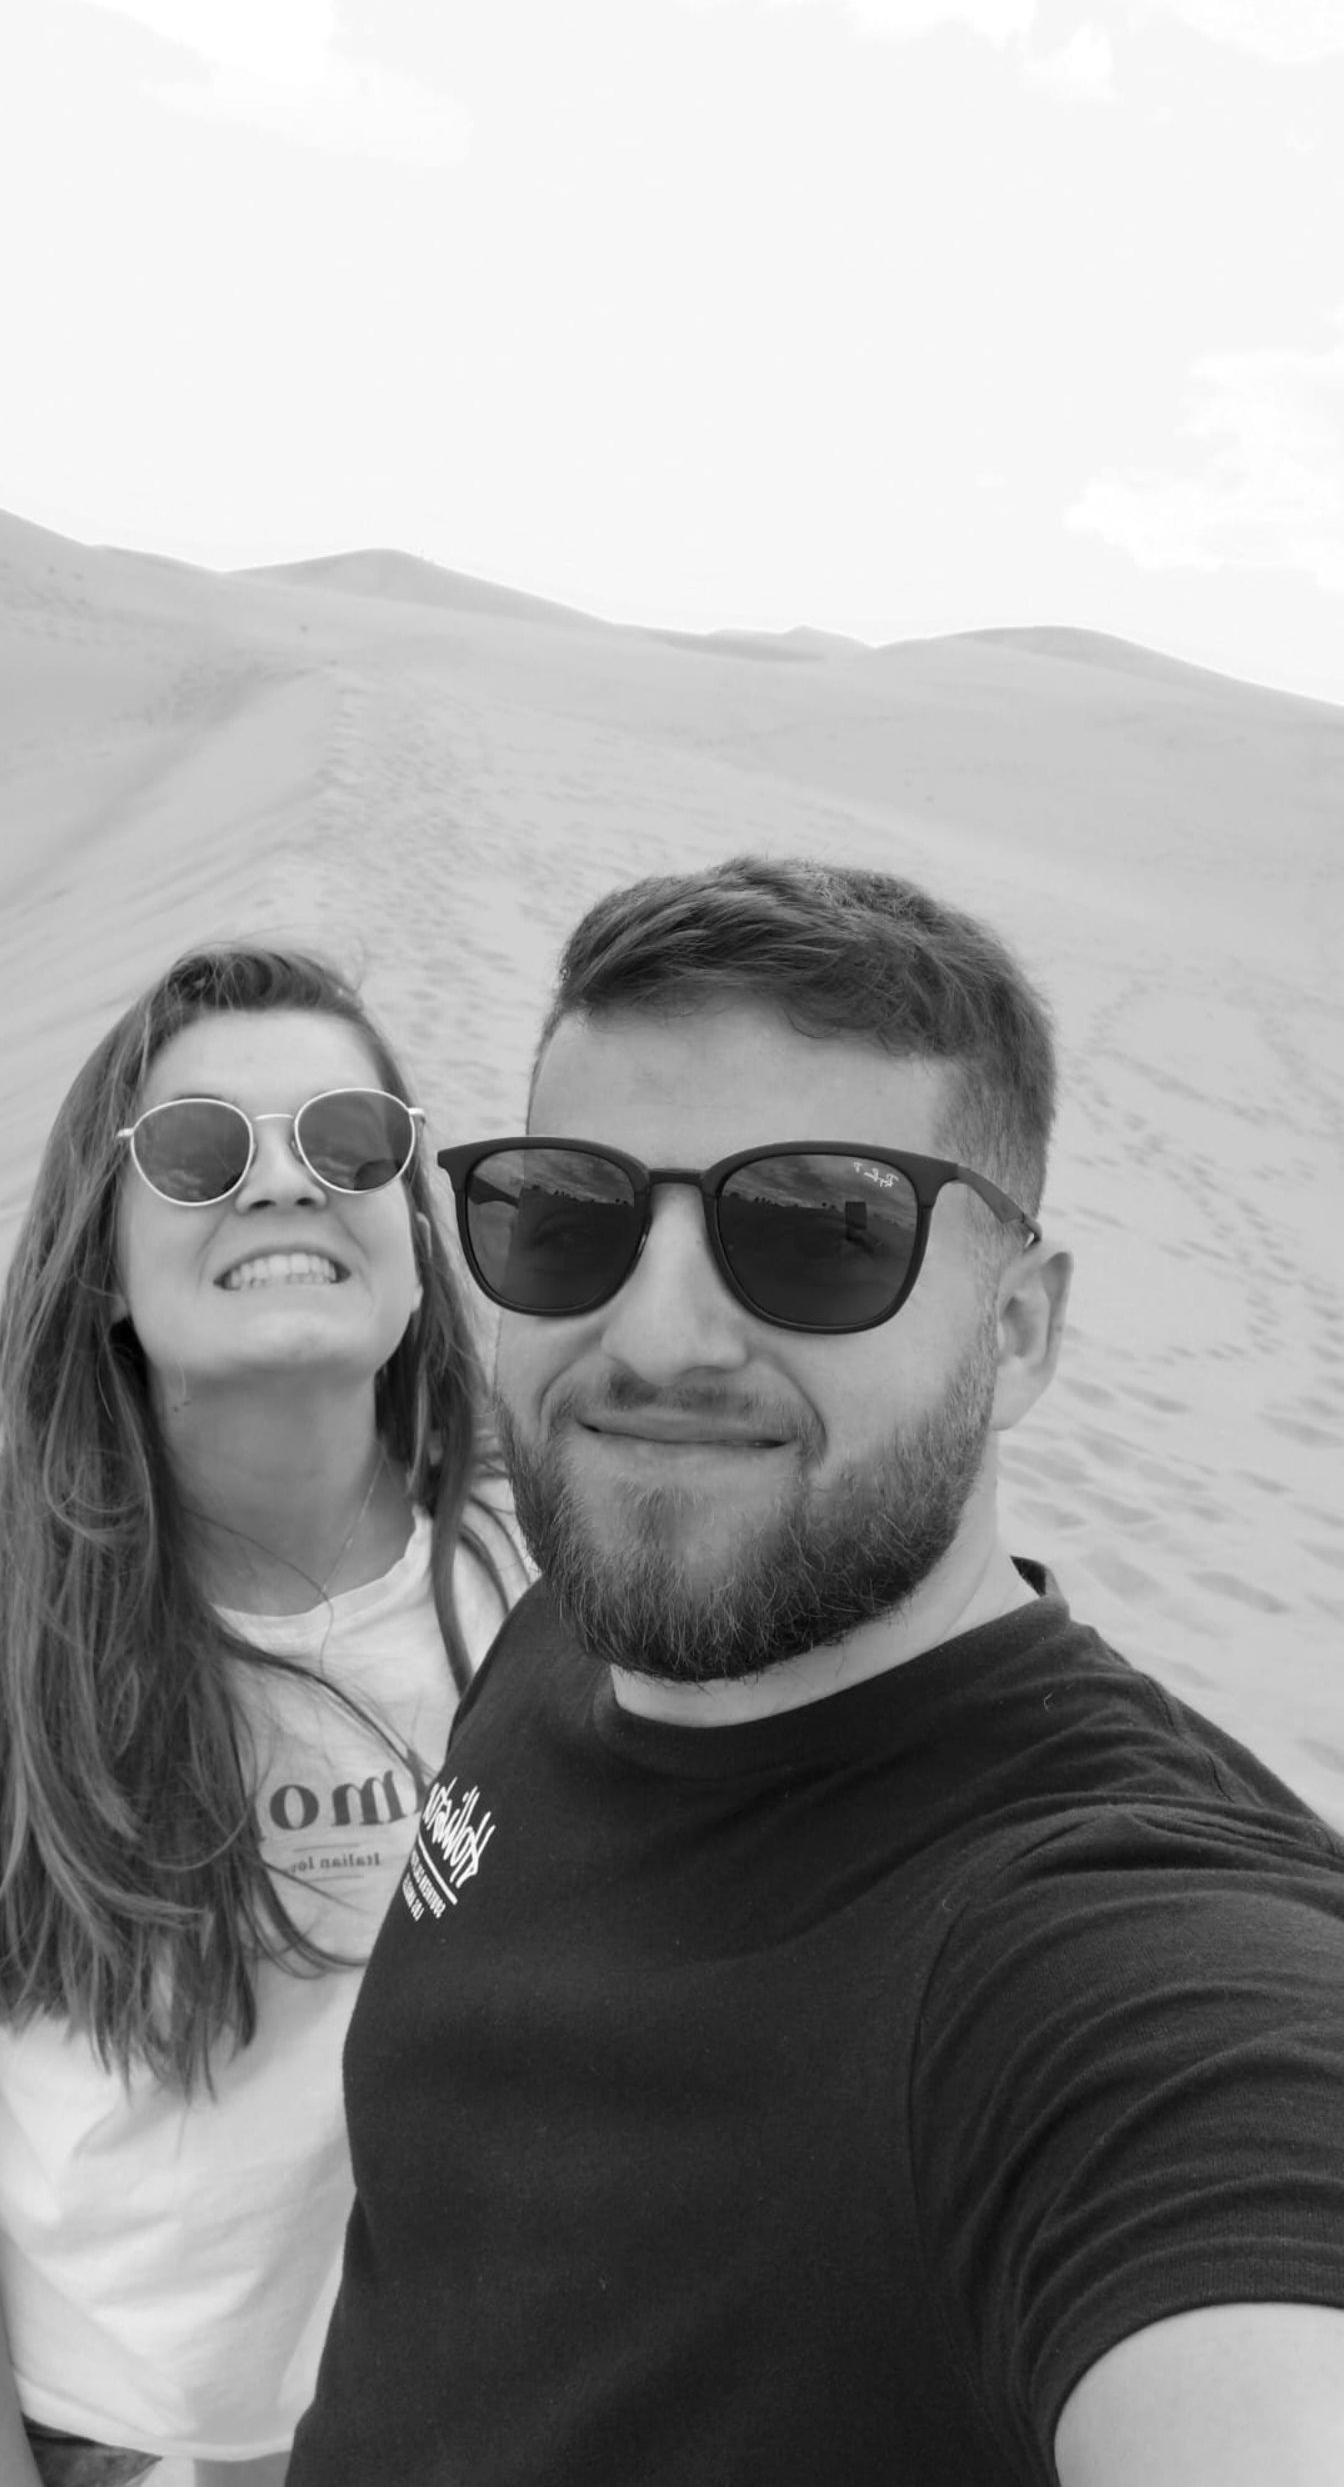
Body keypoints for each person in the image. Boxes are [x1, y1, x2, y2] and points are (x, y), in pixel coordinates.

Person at [288, 856, 1344, 2487]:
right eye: (566, 1216)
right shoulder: (586, 1613)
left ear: (1018, 1334)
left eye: (822, 1233)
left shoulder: (1099, 1957)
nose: (656, 1340)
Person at [0, 945, 524, 2487]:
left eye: (349, 1140)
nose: (282, 1186)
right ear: (107, 1268)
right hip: (56, 2445)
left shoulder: (531, 1584)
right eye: (198, 1153)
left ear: (410, 1227)